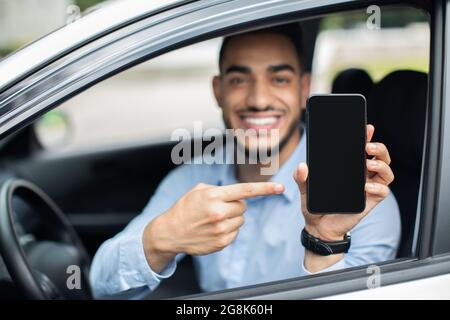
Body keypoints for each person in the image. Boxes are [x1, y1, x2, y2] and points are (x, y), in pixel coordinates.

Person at [90, 23, 401, 297]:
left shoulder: (362, 198)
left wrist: (325, 241)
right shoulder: (195, 176)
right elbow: (101, 283)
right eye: (240, 80)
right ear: (218, 90)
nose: (258, 100)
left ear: (304, 88)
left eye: (279, 79)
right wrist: (161, 239)